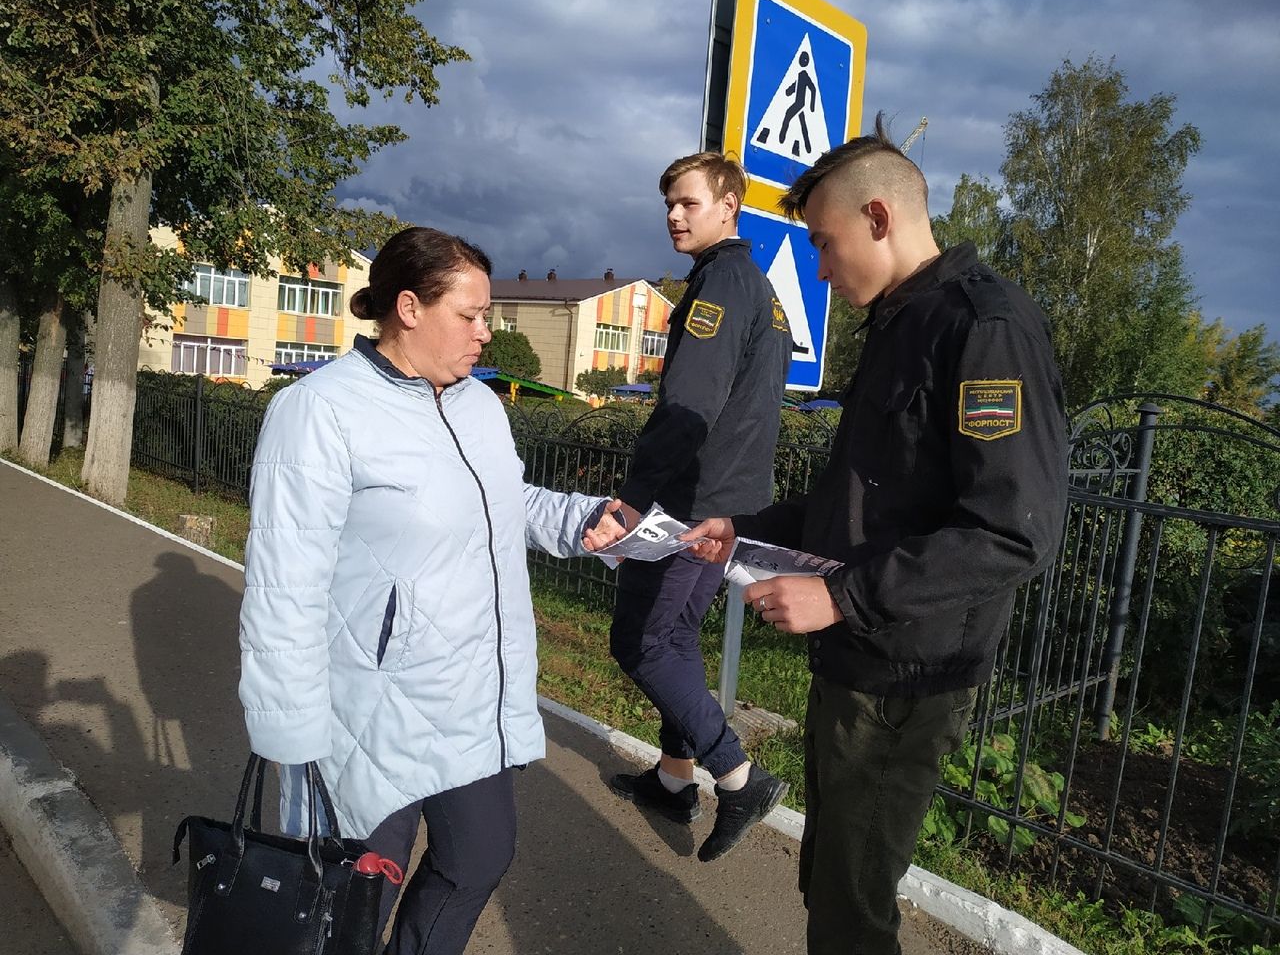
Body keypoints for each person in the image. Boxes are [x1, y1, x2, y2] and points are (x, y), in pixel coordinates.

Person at [683, 115, 1068, 954]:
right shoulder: (900, 328)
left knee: (852, 910)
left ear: (881, 218)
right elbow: (854, 505)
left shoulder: (982, 327)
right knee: (832, 880)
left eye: (824, 243)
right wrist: (739, 529)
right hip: (859, 662)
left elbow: (1013, 531)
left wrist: (842, 596)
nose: (819, 268)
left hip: (908, 678)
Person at [237, 226, 626, 955]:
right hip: (368, 715)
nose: (487, 333)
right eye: (471, 316)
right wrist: (293, 737)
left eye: (488, 317)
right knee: (349, 907)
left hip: (467, 695)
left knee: (480, 856)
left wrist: (586, 521)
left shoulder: (477, 405)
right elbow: (282, 583)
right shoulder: (320, 411)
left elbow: (508, 503)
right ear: (409, 308)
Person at [607, 151, 792, 862]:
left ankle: (738, 777)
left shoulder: (718, 286)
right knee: (676, 641)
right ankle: (675, 779)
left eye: (688, 203)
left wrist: (631, 502)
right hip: (730, 507)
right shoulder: (759, 288)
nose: (674, 216)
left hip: (689, 505)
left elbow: (688, 410)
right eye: (668, 204)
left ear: (728, 207)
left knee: (643, 643)